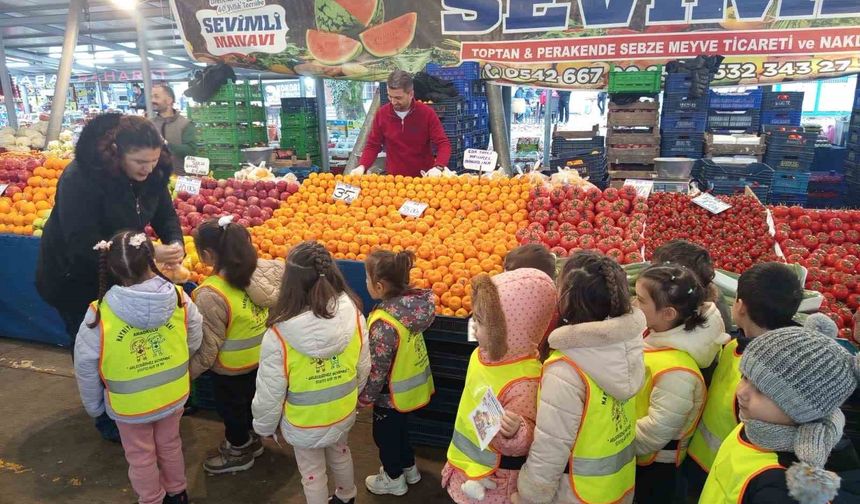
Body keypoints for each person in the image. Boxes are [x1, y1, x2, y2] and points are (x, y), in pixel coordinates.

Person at [35, 112, 186, 441]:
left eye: (154, 160)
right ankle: (106, 416)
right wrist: (146, 251)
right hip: (74, 275)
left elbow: (165, 214)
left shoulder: (154, 172)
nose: (147, 169)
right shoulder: (81, 178)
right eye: (139, 162)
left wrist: (175, 243)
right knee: (93, 345)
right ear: (116, 152)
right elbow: (83, 244)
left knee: (126, 347)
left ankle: (136, 404)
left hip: (121, 271)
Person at [73, 230, 202, 504]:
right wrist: (180, 357)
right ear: (150, 260)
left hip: (129, 407)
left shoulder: (99, 314)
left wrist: (94, 406)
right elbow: (195, 331)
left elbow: (85, 365)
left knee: (140, 456)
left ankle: (151, 499)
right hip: (173, 394)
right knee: (170, 445)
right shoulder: (179, 298)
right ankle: (177, 493)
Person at [515, 253, 646, 504]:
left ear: (568, 301)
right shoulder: (630, 345)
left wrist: (531, 494)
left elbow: (551, 446)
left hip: (574, 491)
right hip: (616, 483)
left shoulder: (565, 370)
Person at [252, 241, 370, 504]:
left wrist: (264, 426)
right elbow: (363, 368)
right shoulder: (356, 318)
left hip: (303, 421)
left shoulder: (279, 336)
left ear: (290, 283)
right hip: (342, 410)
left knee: (312, 473)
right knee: (341, 452)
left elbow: (270, 391)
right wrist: (354, 395)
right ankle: (347, 495)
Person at [700, 326, 860, 503]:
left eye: (761, 391)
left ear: (801, 410)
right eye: (744, 377)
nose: (741, 392)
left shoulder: (781, 489)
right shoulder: (758, 423)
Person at [685, 262, 803, 494]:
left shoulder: (763, 376)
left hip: (727, 472)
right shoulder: (734, 346)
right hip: (707, 459)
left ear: (740, 306)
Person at [442, 268, 557, 503]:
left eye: (481, 322)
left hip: (495, 481)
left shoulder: (525, 382)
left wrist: (516, 431)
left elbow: (528, 438)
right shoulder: (482, 354)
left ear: (509, 330)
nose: (473, 326)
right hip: (466, 463)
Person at [189, 217, 283, 474]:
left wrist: (186, 375)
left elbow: (208, 348)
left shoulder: (210, 294)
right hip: (259, 362)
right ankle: (252, 441)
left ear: (207, 254)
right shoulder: (257, 280)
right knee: (250, 405)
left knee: (232, 413)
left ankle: (239, 451)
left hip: (229, 370)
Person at [632, 264, 729, 504]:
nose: (634, 303)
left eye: (641, 300)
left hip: (653, 466)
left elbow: (655, 432)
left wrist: (615, 443)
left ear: (668, 314)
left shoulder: (678, 373)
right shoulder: (657, 332)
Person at [359, 250, 435, 496]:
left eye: (366, 279)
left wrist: (366, 397)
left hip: (388, 393)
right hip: (410, 388)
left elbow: (378, 367)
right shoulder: (413, 309)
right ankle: (409, 468)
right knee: (402, 431)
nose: (365, 283)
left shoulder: (384, 321)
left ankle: (393, 478)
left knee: (385, 436)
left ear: (379, 286)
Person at [353, 70, 451, 177]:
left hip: (424, 181)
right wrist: (362, 166)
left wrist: (438, 167)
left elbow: (443, 144)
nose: (393, 101)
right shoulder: (382, 114)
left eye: (398, 98)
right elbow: (373, 145)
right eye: (390, 96)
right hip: (394, 182)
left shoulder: (427, 113)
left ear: (411, 94)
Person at [151, 83, 197, 175]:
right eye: (151, 97)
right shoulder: (150, 124)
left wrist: (166, 144)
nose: (152, 100)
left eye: (156, 97)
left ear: (169, 100)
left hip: (179, 178)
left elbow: (191, 150)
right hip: (154, 177)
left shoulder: (185, 124)